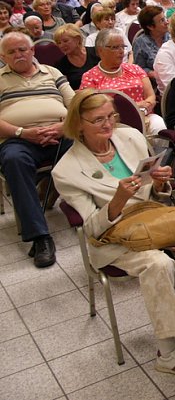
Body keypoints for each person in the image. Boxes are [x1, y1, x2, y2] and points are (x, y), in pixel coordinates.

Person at [53, 90, 175, 378]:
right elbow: (89, 227)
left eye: (111, 116)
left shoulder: (131, 138)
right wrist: (118, 201)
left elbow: (155, 190)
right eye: (98, 120)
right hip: (114, 235)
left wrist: (161, 183)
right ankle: (169, 352)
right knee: (159, 264)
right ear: (78, 124)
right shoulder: (67, 170)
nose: (108, 124)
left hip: (155, 218)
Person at [0, 31, 74, 267]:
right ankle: (40, 237)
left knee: (89, 146)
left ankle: (98, 216)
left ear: (33, 51)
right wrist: (23, 133)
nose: (18, 54)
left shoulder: (52, 73)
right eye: (11, 52)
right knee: (13, 160)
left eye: (23, 49)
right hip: (19, 139)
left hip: (61, 135)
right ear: (3, 56)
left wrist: (63, 127)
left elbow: (76, 105)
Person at [80, 29, 165, 135]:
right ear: (100, 50)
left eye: (123, 47)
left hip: (145, 115)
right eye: (115, 47)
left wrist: (143, 109)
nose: (121, 51)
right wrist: (135, 106)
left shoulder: (135, 69)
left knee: (159, 126)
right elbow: (92, 107)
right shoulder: (90, 77)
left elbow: (151, 97)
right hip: (112, 122)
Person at [54, 23, 99, 89]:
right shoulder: (60, 65)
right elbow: (64, 89)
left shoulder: (96, 53)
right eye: (59, 43)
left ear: (77, 39)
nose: (61, 45)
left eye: (65, 41)